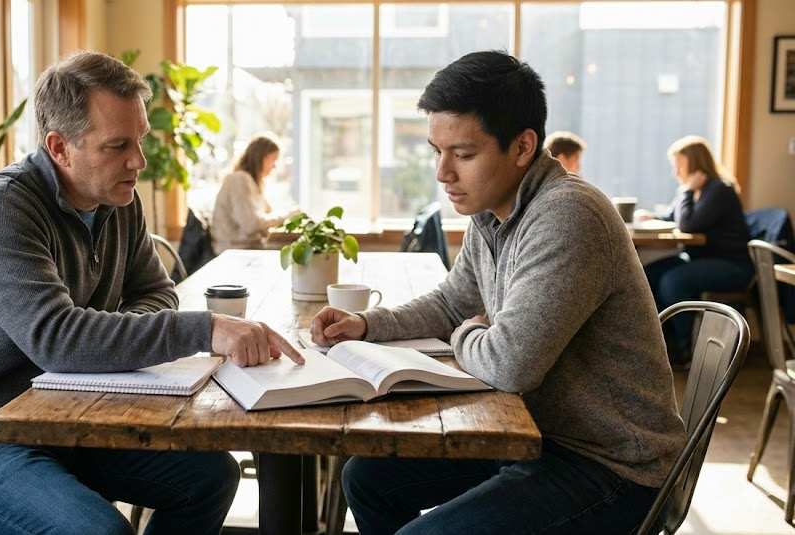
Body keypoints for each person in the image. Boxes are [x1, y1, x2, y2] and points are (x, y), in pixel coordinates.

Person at [0, 51, 303, 535]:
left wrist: (104, 334)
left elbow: (157, 293)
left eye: (140, 140)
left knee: (210, 478)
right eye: (117, 146)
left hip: (56, 420)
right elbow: (59, 340)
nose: (139, 161)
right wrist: (208, 329)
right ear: (59, 147)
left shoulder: (118, 199)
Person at [310, 50, 685, 534]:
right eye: (436, 151)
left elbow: (510, 364)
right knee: (366, 477)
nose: (443, 173)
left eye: (463, 154)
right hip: (536, 437)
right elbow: (452, 302)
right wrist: (366, 325)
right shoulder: (491, 211)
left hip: (612, 466)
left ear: (523, 146)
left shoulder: (568, 216)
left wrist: (468, 334)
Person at [637, 135, 753, 366]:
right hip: (700, 258)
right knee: (649, 275)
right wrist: (652, 216)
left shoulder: (719, 189)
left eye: (679, 165)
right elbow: (674, 217)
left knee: (673, 281)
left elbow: (688, 224)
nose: (676, 172)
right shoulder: (692, 190)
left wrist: (687, 192)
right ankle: (660, 345)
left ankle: (686, 350)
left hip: (731, 264)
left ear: (695, 163)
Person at [210, 133, 301, 254]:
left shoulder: (254, 183)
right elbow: (251, 225)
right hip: (235, 250)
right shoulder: (240, 180)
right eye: (273, 159)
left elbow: (269, 215)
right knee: (296, 252)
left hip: (247, 246)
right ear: (261, 157)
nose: (274, 166)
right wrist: (288, 215)